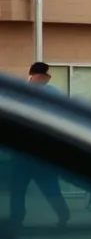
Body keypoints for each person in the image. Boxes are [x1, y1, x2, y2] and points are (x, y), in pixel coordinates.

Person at [10, 63, 71, 228]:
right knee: (19, 188)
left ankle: (63, 215)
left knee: (47, 187)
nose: (46, 80)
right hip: (26, 152)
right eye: (44, 76)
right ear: (35, 76)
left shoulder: (49, 94)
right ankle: (17, 219)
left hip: (39, 152)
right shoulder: (22, 93)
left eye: (48, 77)